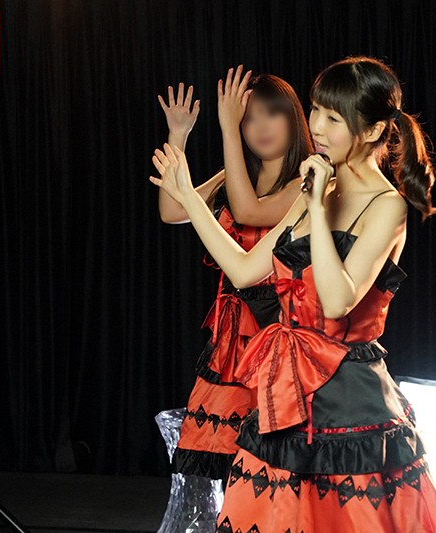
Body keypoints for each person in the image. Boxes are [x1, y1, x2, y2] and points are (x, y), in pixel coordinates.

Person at [150, 56, 436, 533]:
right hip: (284, 395)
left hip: (350, 403)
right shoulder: (315, 188)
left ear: (374, 130)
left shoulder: (388, 205)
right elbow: (244, 271)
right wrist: (190, 198)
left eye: (333, 118)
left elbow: (338, 301)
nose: (315, 126)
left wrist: (316, 208)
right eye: (316, 110)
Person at [156, 66, 312, 484]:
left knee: (276, 464)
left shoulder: (307, 182)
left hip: (280, 330)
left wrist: (227, 128)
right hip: (232, 337)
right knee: (232, 466)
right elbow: (172, 210)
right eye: (248, 119)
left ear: (293, 118)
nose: (259, 127)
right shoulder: (235, 176)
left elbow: (248, 212)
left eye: (270, 114)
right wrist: (179, 134)